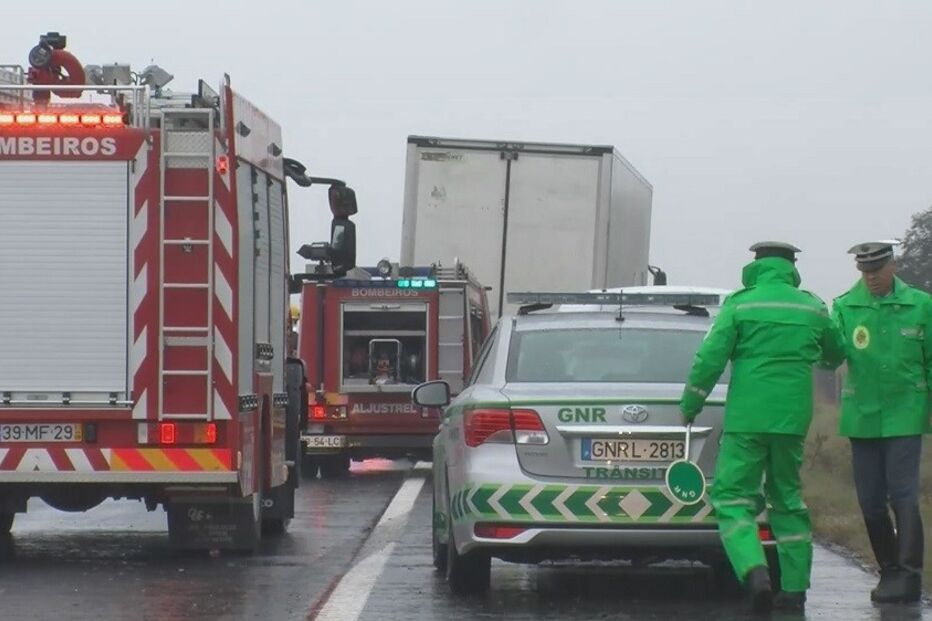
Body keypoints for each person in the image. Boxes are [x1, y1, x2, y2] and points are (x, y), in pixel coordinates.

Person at [680, 242, 844, 613]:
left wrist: (691, 404)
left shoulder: (741, 304)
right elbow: (836, 353)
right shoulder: (812, 306)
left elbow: (710, 358)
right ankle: (795, 589)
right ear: (792, 267)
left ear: (755, 265)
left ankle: (754, 571)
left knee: (732, 497)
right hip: (792, 420)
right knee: (787, 498)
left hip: (747, 419)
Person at [830, 241, 931, 603]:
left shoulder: (921, 305)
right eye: (865, 271)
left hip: (905, 413)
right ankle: (889, 570)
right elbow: (830, 357)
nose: (871, 278)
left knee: (903, 495)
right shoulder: (844, 306)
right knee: (871, 501)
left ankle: (909, 576)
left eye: (877, 270)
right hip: (863, 416)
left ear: (893, 265)